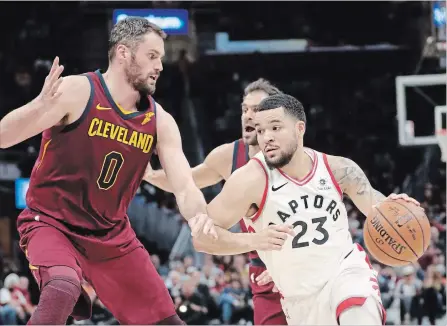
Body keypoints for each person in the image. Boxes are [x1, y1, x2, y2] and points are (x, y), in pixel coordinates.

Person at [0, 17, 291, 325]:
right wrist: (38, 105)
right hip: (52, 222)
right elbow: (4, 138)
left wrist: (199, 217)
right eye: (152, 56)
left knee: (167, 322)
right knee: (62, 287)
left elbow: (185, 186)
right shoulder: (77, 91)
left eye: (161, 58)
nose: (160, 66)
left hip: (111, 236)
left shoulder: (160, 121)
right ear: (124, 53)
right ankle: (67, 284)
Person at [192, 93, 423, 325]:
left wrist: (393, 206)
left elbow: (376, 205)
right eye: (260, 131)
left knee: (358, 312)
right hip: (299, 301)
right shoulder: (249, 180)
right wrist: (254, 241)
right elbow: (202, 239)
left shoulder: (338, 169)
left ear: (299, 128)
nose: (267, 138)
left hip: (345, 272)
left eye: (275, 127)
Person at [145, 78, 288, 325]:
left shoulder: (294, 155)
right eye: (245, 109)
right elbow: (185, 181)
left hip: (302, 262)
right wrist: (149, 174)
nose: (248, 116)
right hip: (261, 268)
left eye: (257, 109)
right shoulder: (229, 155)